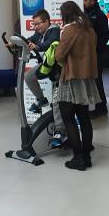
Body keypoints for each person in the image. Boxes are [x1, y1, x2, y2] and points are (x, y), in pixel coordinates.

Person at [54, 1, 101, 171]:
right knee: (84, 117)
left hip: (71, 77)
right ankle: (87, 157)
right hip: (86, 77)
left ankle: (78, 158)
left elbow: (59, 56)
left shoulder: (70, 30)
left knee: (67, 117)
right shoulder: (89, 29)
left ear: (65, 14)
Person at [22, 10, 66, 145]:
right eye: (34, 25)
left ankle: (60, 131)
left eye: (38, 24)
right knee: (29, 76)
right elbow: (30, 39)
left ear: (46, 21)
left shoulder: (54, 30)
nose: (35, 27)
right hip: (46, 66)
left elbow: (50, 43)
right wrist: (15, 44)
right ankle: (41, 100)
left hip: (58, 70)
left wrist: (38, 46)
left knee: (57, 101)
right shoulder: (39, 33)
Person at [83, 0, 109, 118]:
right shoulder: (85, 14)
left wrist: (95, 47)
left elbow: (105, 37)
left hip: (98, 53)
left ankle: (101, 108)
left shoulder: (100, 16)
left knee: (97, 81)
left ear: (93, 1)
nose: (84, 2)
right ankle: (94, 107)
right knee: (91, 81)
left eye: (86, 0)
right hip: (88, 54)